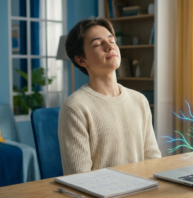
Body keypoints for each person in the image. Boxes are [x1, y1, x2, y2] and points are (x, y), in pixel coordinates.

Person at [58, 17, 161, 175]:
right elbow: (78, 177)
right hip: (101, 197)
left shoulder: (139, 100)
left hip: (143, 193)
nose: (109, 47)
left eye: (112, 41)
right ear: (81, 60)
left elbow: (153, 160)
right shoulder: (75, 107)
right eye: (98, 44)